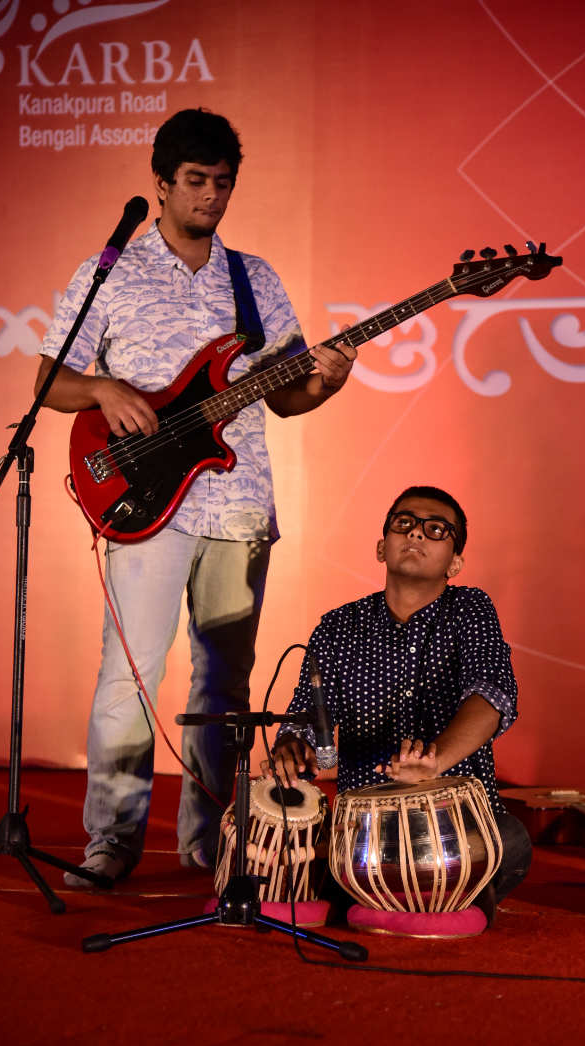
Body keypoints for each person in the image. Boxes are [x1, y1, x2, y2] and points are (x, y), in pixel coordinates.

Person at [36, 108, 355, 886]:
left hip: (238, 501)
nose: (211, 196)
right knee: (131, 675)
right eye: (196, 182)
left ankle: (208, 842)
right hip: (142, 498)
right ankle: (111, 841)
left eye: (223, 184)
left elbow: (286, 399)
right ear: (161, 183)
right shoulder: (109, 273)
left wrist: (327, 382)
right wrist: (105, 388)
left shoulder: (256, 280)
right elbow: (49, 382)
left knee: (225, 685)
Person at [269, 485, 532, 918]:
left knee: (512, 840)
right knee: (285, 847)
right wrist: (293, 748)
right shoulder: (338, 627)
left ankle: (381, 900)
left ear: (456, 563)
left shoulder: (470, 610)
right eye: (404, 524)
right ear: (381, 547)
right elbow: (306, 718)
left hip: (457, 828)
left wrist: (435, 761)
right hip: (365, 832)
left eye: (436, 529)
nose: (416, 535)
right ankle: (418, 903)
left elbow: (491, 696)